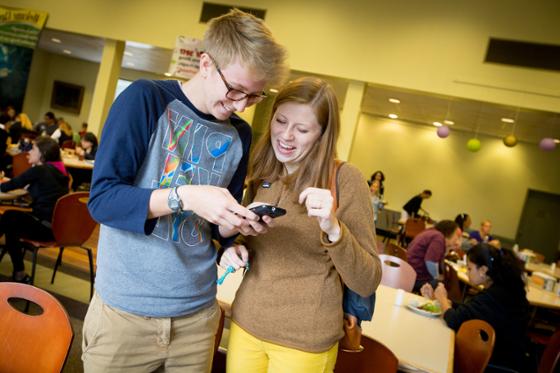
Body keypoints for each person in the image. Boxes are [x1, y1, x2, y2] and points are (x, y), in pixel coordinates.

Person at [83, 9, 287, 372]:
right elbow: (102, 201)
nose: (241, 105)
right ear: (206, 63)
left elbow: (212, 229)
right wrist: (186, 195)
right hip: (125, 315)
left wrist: (235, 233)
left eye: (254, 96)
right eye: (235, 89)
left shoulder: (238, 134)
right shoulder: (146, 100)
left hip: (197, 317)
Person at [219, 77, 381, 373]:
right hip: (246, 323)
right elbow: (256, 241)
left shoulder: (346, 179)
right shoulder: (265, 172)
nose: (286, 136)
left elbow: (367, 280)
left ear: (322, 135)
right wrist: (237, 248)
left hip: (304, 342)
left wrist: (334, 228)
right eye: (280, 121)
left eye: (302, 129)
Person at [421, 243, 529, 371]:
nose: (467, 272)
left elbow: (454, 321)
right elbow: (470, 310)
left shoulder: (495, 296)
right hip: (501, 355)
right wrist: (439, 300)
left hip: (498, 364)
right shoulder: (501, 288)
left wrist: (443, 299)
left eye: (469, 268)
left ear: (483, 270)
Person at [0, 136, 69, 282]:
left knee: (9, 217)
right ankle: (19, 273)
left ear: (42, 153)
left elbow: (8, 186)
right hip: (55, 229)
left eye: (33, 149)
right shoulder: (61, 173)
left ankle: (19, 271)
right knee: (11, 224)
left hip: (43, 227)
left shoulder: (40, 171)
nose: (28, 152)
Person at [406, 220, 461, 291]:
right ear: (450, 232)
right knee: (445, 284)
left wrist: (449, 247)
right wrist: (436, 276)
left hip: (409, 272)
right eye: (456, 235)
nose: (457, 239)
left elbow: (436, 257)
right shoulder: (438, 238)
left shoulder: (431, 232)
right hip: (417, 277)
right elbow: (430, 261)